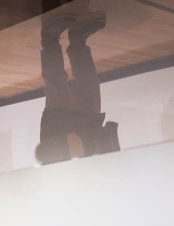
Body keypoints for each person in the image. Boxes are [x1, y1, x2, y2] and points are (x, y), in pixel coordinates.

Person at [34, 7, 120, 165]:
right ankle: (77, 38)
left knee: (56, 80)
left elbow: (43, 154)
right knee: (89, 80)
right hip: (89, 128)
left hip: (61, 125)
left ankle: (49, 37)